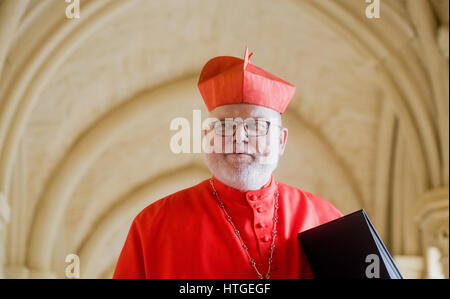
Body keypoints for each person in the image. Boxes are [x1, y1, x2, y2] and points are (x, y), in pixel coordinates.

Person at [113, 47, 342, 279]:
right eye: (224, 126)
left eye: (256, 126)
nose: (238, 137)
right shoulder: (153, 225)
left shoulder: (326, 220)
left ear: (281, 141)